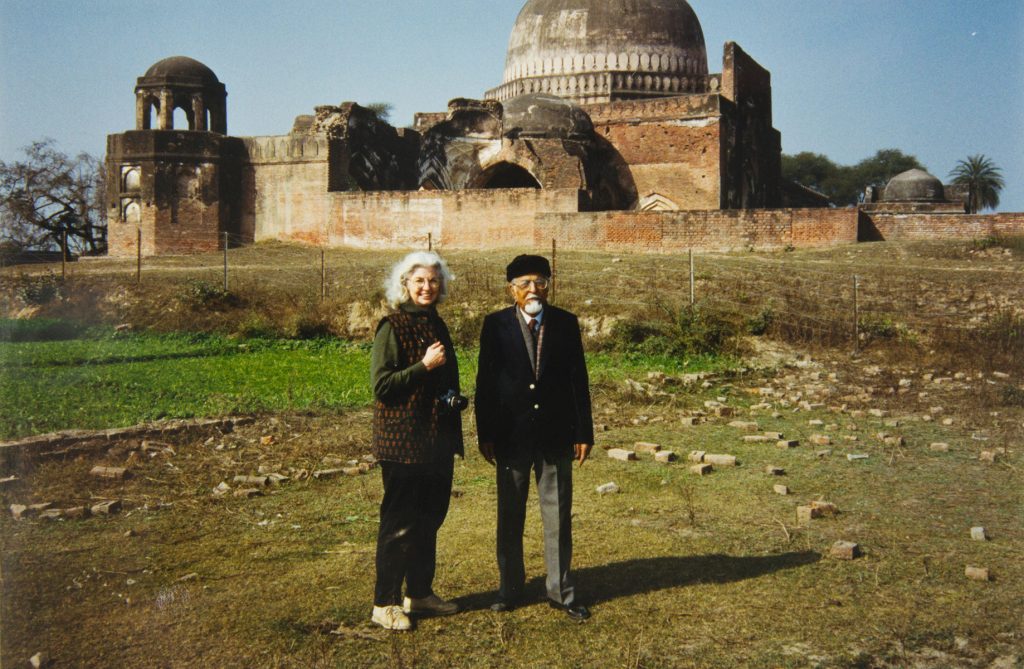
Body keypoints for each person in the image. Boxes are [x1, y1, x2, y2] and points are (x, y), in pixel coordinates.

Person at [474, 254, 594, 621]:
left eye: (540, 281)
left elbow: (578, 381)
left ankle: (561, 592)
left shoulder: (565, 323)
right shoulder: (495, 325)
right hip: (510, 436)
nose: (533, 289)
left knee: (557, 517)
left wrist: (584, 431)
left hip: (556, 436)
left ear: (549, 285)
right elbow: (485, 384)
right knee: (510, 514)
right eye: (525, 283)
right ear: (511, 289)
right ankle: (510, 588)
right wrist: (486, 433)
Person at [369, 251, 465, 631]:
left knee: (429, 519)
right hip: (403, 442)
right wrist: (423, 366)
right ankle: (385, 603)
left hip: (436, 442)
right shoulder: (392, 326)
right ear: (404, 285)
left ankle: (420, 593)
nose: (427, 287)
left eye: (433, 281)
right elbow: (382, 386)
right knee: (399, 523)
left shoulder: (436, 323)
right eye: (419, 281)